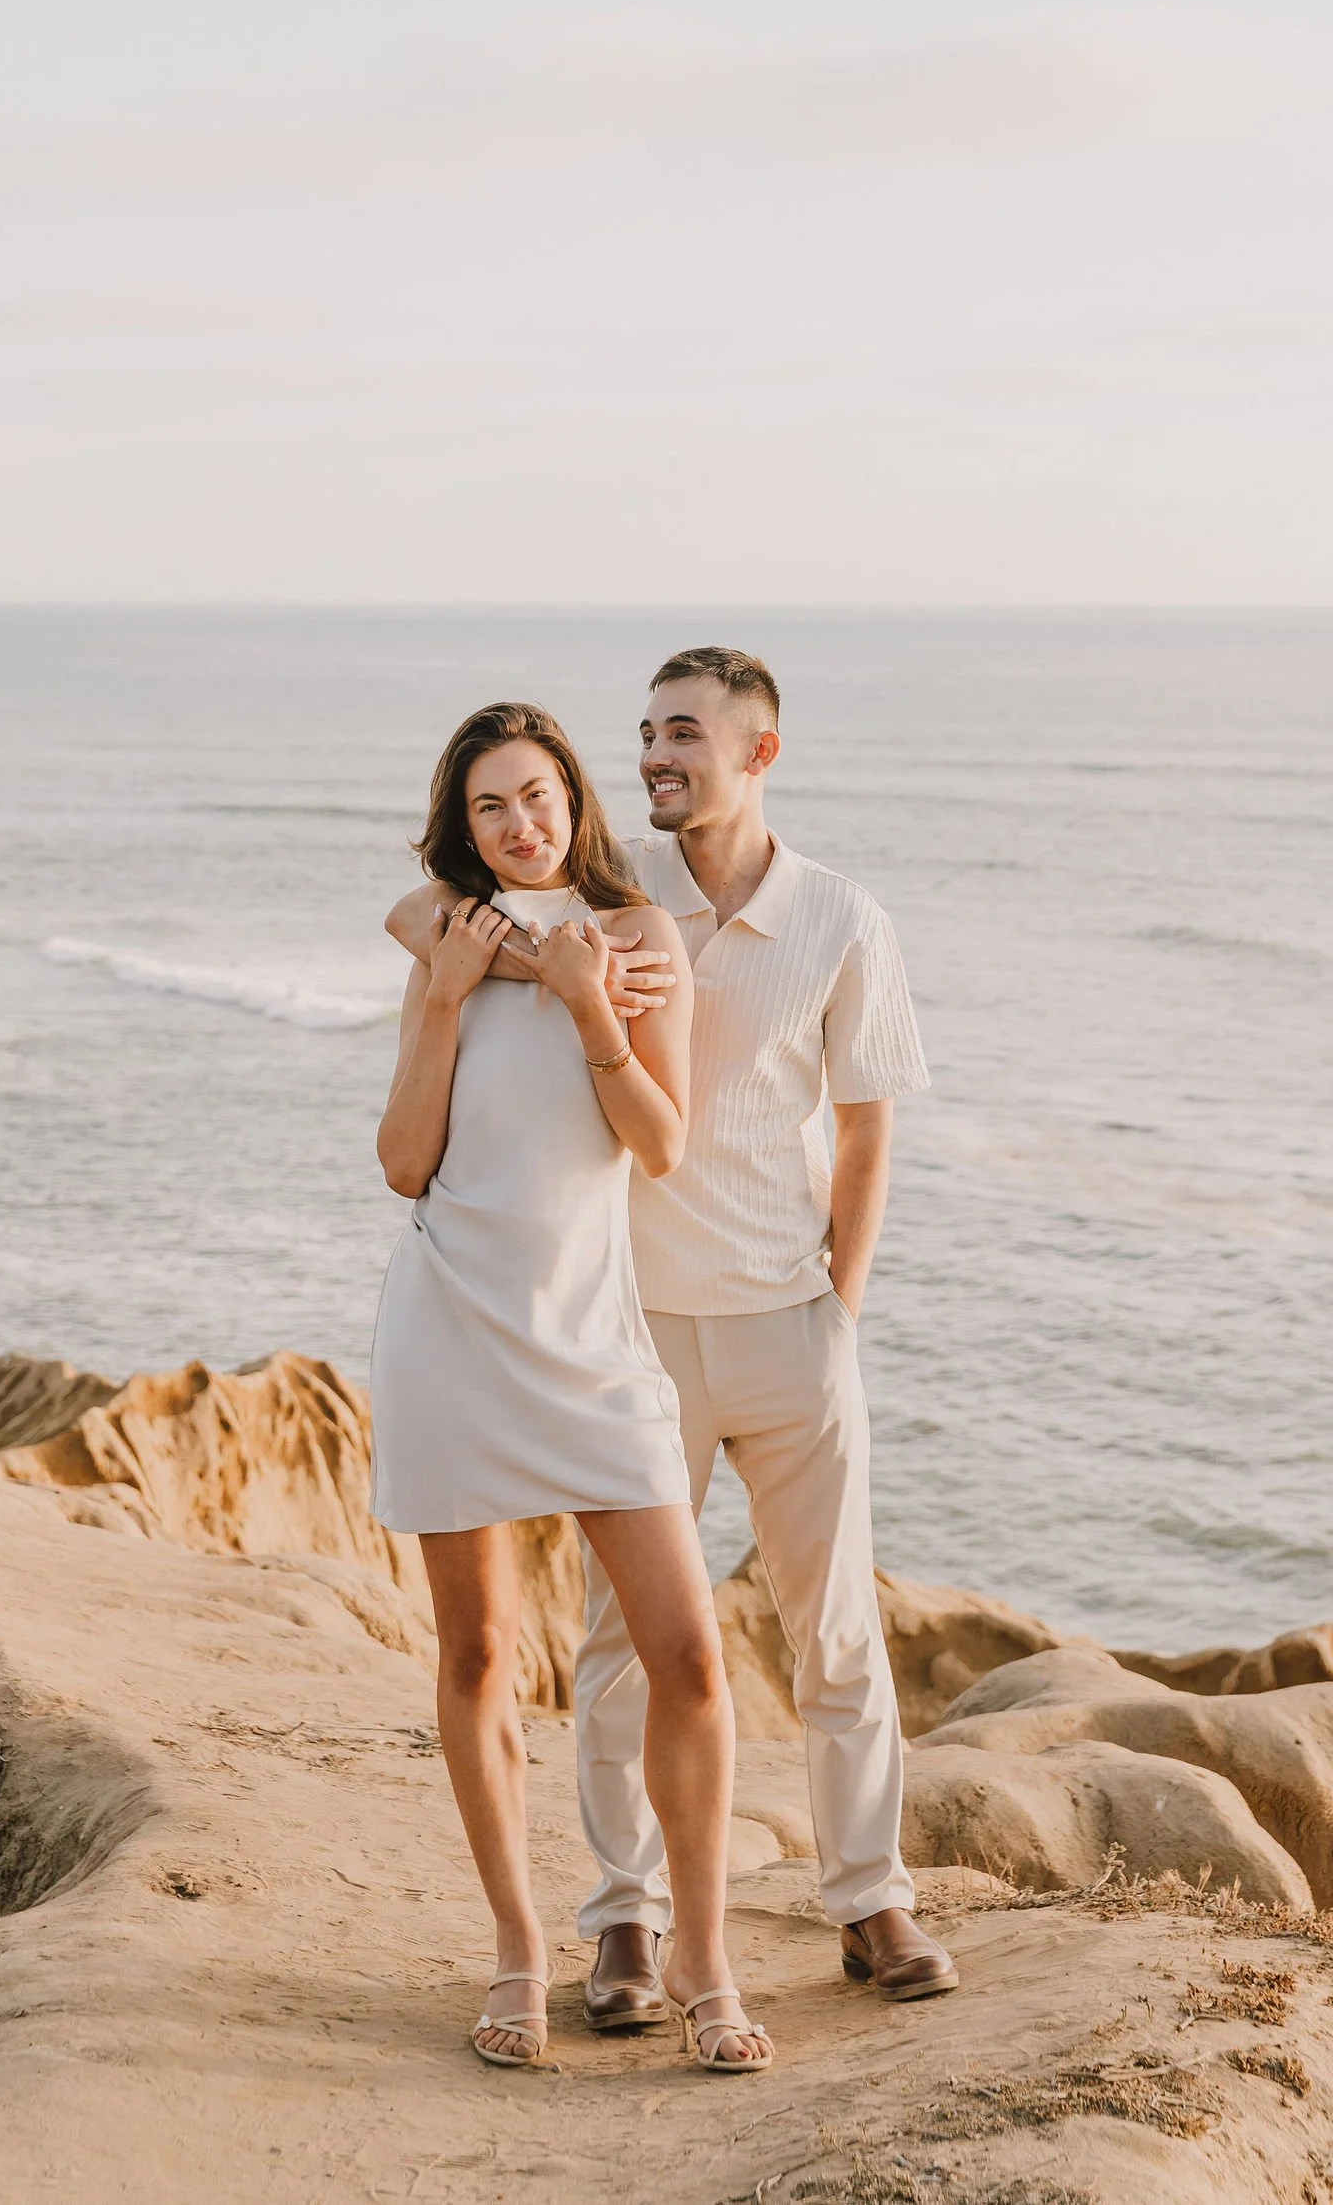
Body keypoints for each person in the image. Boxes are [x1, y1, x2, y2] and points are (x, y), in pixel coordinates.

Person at [386, 649, 956, 2034]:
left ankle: (867, 1900)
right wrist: (504, 965)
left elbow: (856, 1118)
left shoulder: (818, 918)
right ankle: (618, 1928)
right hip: (615, 1323)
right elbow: (425, 915)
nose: (656, 755)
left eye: (683, 735)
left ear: (760, 752)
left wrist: (846, 1294)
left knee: (825, 1631)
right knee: (614, 1657)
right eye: (643, 734)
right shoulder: (599, 893)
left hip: (775, 1318)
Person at [371, 699, 774, 2075]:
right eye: (491, 805)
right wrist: (443, 992)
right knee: (477, 1654)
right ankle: (516, 1955)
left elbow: (657, 1145)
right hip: (451, 1329)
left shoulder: (640, 939)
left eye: (537, 795)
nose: (520, 822)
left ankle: (704, 1962)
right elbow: (403, 1164)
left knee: (690, 1658)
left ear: (575, 798)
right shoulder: (444, 935)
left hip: (594, 1342)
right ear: (464, 826)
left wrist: (591, 1003)